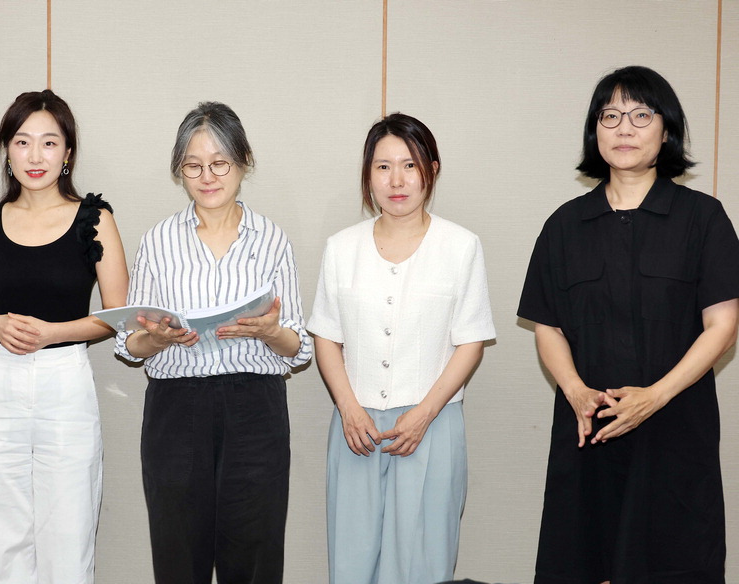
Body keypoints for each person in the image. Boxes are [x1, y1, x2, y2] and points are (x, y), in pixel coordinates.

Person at [518, 65, 739, 584]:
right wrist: (575, 390)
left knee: (674, 563)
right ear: (594, 131)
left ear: (666, 131)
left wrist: (654, 397)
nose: (624, 128)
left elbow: (723, 324)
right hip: (587, 429)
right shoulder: (564, 225)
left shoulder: (703, 218)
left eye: (641, 115)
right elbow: (548, 325)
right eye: (610, 116)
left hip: (675, 430)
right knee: (581, 561)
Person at [114, 101, 312, 584]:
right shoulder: (158, 241)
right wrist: (155, 338)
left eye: (220, 163)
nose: (208, 177)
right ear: (179, 171)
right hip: (176, 411)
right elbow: (128, 344)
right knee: (179, 555)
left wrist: (270, 331)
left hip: (255, 409)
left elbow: (298, 346)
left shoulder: (272, 239)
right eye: (193, 166)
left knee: (255, 554)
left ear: (243, 162)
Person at [308, 113, 495, 584]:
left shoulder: (461, 246)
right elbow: (326, 335)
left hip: (432, 424)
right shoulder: (341, 248)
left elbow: (471, 341)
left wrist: (424, 414)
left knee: (422, 564)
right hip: (357, 428)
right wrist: (349, 408)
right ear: (368, 174)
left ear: (432, 169)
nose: (396, 180)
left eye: (410, 165)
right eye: (383, 166)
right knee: (351, 562)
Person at [0, 89, 128, 584]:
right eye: (22, 141)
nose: (36, 156)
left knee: (68, 534)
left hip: (65, 383)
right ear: (7, 151)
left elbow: (119, 315)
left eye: (49, 142)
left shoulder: (94, 219)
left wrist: (53, 333)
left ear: (68, 152)